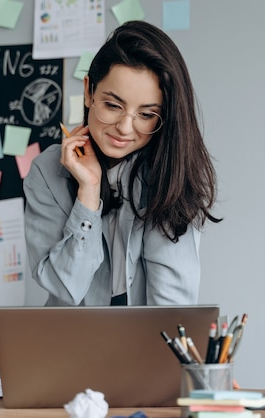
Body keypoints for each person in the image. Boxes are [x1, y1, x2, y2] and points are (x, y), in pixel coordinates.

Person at [23, 21, 221, 307]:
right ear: (89, 92)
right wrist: (88, 194)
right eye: (113, 106)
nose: (125, 128)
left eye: (146, 114)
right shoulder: (46, 171)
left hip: (149, 343)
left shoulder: (168, 173)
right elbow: (66, 288)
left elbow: (172, 306)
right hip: (72, 344)